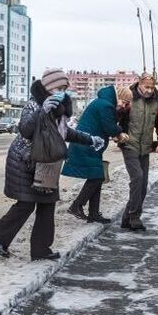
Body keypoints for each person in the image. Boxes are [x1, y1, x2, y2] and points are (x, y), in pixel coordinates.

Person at [0, 69, 102, 261]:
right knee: (26, 203)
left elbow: (65, 134)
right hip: (25, 161)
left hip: (47, 164)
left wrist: (90, 140)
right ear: (48, 87)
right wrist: (42, 110)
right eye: (58, 88)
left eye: (65, 88)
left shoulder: (61, 110)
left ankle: (41, 250)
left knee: (47, 206)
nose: (62, 92)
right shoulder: (34, 104)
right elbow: (25, 130)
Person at [63, 85, 131, 224]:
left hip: (89, 145)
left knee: (97, 177)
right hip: (86, 145)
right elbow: (110, 127)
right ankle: (76, 206)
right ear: (119, 96)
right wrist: (120, 133)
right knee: (97, 177)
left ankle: (93, 213)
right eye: (124, 102)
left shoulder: (102, 102)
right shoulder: (106, 105)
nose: (124, 106)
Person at [117, 73, 158, 231]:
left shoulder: (157, 104)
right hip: (129, 145)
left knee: (143, 185)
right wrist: (117, 133)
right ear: (139, 84)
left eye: (151, 87)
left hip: (145, 148)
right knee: (137, 178)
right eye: (146, 87)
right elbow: (116, 118)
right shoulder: (130, 100)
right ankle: (134, 217)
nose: (148, 90)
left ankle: (126, 218)